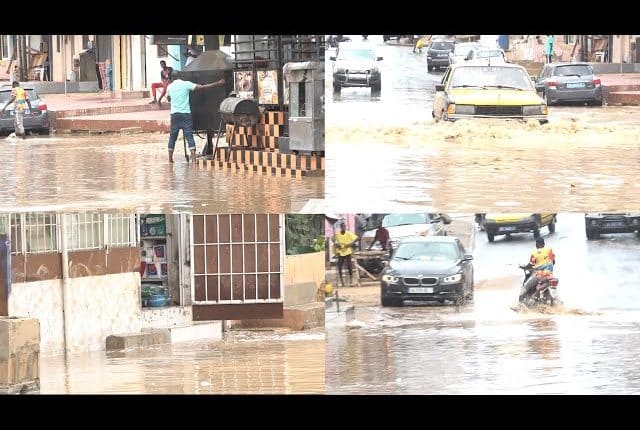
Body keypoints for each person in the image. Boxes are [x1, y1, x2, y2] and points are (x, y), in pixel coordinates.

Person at [165, 70, 225, 163]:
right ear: (180, 76)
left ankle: (170, 160)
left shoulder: (169, 87)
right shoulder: (186, 84)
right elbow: (202, 87)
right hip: (185, 114)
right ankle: (193, 159)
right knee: (189, 136)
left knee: (173, 136)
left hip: (174, 115)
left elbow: (168, 98)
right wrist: (218, 83)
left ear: (172, 78)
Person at [519, 237, 556, 302]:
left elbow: (530, 265)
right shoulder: (550, 250)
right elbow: (553, 262)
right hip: (549, 275)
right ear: (544, 244)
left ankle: (520, 303)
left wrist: (523, 267)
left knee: (525, 287)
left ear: (537, 244)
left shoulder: (535, 253)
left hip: (539, 275)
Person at [333, 221, 358, 287]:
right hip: (341, 252)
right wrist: (336, 244)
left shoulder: (349, 233)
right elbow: (333, 239)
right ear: (340, 227)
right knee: (339, 266)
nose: (343, 228)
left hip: (347, 252)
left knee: (349, 265)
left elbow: (356, 238)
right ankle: (342, 281)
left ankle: (351, 280)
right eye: (342, 226)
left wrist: (350, 244)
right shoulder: (338, 234)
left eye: (344, 226)